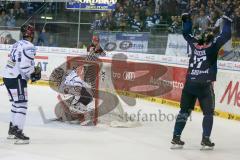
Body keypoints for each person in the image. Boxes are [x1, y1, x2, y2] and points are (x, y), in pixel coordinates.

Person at [171, 11, 232, 150]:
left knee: (183, 112)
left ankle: (176, 137)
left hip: (190, 84)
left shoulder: (194, 43)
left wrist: (186, 20)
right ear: (211, 38)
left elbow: (186, 34)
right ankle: (205, 139)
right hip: (204, 85)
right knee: (208, 113)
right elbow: (226, 35)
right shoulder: (213, 46)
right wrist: (227, 21)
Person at [1, 24, 41, 144]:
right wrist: (33, 73)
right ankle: (18, 132)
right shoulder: (29, 46)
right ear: (31, 34)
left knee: (15, 103)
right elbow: (24, 66)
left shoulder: (16, 44)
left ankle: (12, 130)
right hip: (17, 78)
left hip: (8, 76)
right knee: (22, 104)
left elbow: (15, 62)